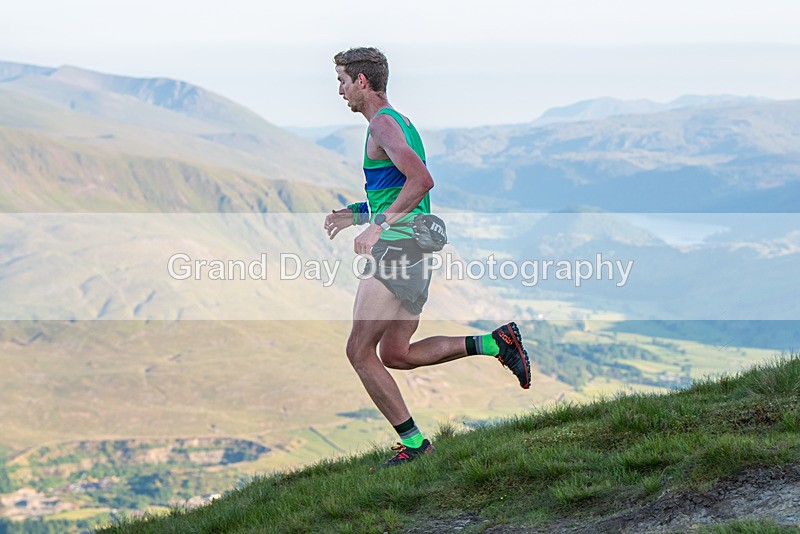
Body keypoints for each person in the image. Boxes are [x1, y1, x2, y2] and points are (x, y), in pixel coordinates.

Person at [324, 47, 530, 470]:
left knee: (359, 352)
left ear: (363, 81)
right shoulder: (397, 123)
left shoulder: (382, 125)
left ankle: (415, 445)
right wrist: (358, 213)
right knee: (396, 354)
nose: (340, 90)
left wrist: (377, 226)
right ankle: (495, 342)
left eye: (343, 81)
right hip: (415, 248)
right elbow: (398, 189)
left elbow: (422, 180)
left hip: (398, 249)